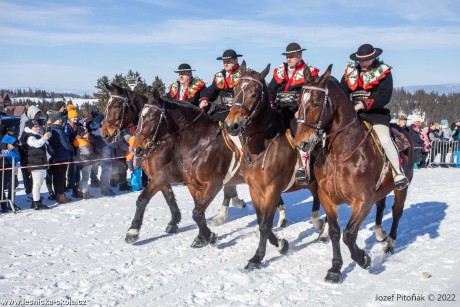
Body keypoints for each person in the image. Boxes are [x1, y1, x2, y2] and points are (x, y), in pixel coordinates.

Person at [341, 43, 409, 190]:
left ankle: (398, 172)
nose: (363, 63)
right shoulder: (350, 72)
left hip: (375, 114)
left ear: (374, 58)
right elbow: (343, 91)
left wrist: (363, 104)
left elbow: (384, 96)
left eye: (367, 60)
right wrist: (348, 106)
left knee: (384, 139)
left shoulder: (383, 72)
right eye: (361, 60)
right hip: (353, 114)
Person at [267, 42, 320, 184]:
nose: (289, 58)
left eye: (292, 56)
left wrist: (301, 111)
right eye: (287, 56)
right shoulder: (279, 71)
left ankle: (304, 168)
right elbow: (271, 90)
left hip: (297, 113)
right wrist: (270, 103)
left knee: (301, 136)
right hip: (279, 110)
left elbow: (313, 95)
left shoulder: (310, 72)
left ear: (300, 56)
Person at [199, 49, 245, 122]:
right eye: (224, 62)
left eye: (228, 62)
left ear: (236, 60)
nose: (225, 64)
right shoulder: (219, 76)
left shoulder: (244, 74)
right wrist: (204, 99)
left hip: (238, 110)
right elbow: (212, 90)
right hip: (221, 110)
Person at [21, 119, 51, 210]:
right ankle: (36, 203)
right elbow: (35, 144)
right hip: (35, 162)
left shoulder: (37, 135)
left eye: (38, 126)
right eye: (35, 127)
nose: (37, 128)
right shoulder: (30, 136)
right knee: (37, 183)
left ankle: (36, 199)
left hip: (40, 161)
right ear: (30, 128)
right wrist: (44, 138)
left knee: (39, 183)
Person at [47, 112, 74, 203]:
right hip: (61, 156)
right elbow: (66, 144)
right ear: (54, 120)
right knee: (61, 177)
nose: (61, 120)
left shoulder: (50, 129)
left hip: (54, 157)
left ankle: (58, 194)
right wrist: (72, 150)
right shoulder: (59, 131)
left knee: (56, 177)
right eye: (59, 119)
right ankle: (61, 196)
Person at [18, 105, 41, 198]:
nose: (38, 117)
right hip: (25, 150)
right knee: (27, 173)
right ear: (32, 114)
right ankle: (29, 192)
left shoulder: (29, 120)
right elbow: (21, 137)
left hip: (28, 150)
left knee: (31, 173)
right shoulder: (25, 122)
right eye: (37, 115)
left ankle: (32, 192)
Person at [73, 126, 95, 199]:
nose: (86, 133)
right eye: (84, 132)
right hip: (85, 161)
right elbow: (87, 152)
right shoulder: (81, 142)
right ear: (80, 134)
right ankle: (85, 193)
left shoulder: (83, 140)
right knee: (85, 177)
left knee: (83, 177)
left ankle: (81, 191)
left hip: (84, 161)